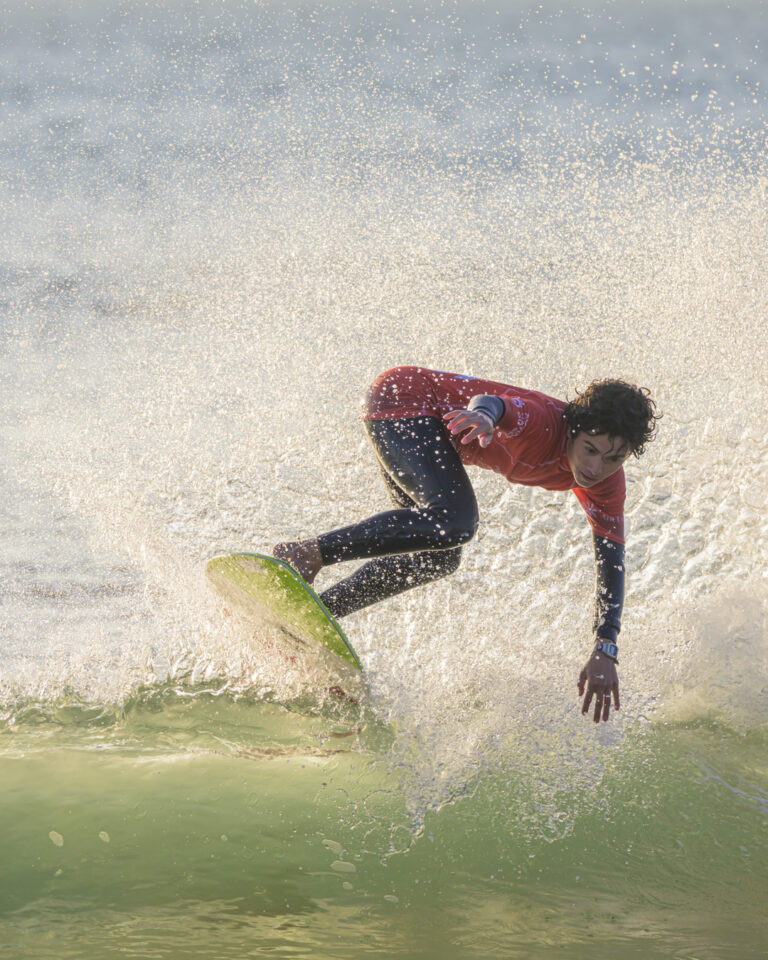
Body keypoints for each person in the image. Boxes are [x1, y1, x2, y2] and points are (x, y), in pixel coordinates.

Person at [274, 366, 660, 724]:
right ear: (574, 430)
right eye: (590, 449)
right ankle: (309, 552)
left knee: (439, 557)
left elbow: (611, 561)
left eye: (613, 459)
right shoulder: (545, 423)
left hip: (424, 426)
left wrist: (605, 645)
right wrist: (485, 417)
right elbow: (498, 406)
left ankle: (318, 613)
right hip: (403, 401)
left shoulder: (607, 485)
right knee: (454, 521)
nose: (596, 469)